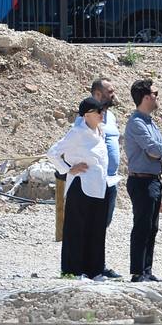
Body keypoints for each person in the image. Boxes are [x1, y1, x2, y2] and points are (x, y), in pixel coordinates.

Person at [47, 96, 110, 281]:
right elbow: (53, 153)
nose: (102, 114)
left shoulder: (101, 131)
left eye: (102, 111)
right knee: (76, 229)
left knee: (97, 229)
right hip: (81, 185)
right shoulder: (77, 132)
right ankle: (73, 271)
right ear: (87, 115)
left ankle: (95, 271)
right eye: (98, 111)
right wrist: (68, 169)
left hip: (99, 186)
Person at [124, 79, 162, 283]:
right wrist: (161, 150)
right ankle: (137, 272)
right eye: (155, 93)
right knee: (142, 226)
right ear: (146, 97)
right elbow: (155, 150)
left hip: (153, 180)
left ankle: (146, 269)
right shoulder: (136, 123)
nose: (157, 97)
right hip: (141, 181)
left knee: (152, 227)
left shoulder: (150, 122)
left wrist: (161, 150)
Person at [80, 79, 122, 279]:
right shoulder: (85, 119)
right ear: (98, 94)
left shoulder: (111, 117)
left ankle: (98, 263)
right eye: (109, 91)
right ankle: (86, 265)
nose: (113, 94)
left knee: (104, 223)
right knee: (91, 223)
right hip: (95, 179)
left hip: (110, 180)